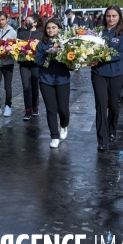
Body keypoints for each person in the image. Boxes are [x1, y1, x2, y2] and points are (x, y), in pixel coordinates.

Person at [91, 5, 123, 151]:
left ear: (119, 17)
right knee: (100, 105)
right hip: (98, 73)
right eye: (108, 16)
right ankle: (102, 139)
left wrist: (100, 57)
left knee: (113, 106)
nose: (111, 19)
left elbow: (119, 54)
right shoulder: (97, 32)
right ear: (104, 17)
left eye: (114, 16)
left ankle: (112, 130)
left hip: (115, 74)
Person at [35, 18, 70, 148]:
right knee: (51, 109)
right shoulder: (41, 44)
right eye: (48, 28)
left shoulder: (66, 42)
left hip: (62, 79)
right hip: (46, 80)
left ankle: (64, 124)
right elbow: (38, 61)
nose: (51, 30)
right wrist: (49, 55)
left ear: (59, 29)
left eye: (53, 28)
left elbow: (71, 61)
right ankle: (54, 136)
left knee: (63, 109)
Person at [0, 11, 17, 117]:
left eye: (3, 19)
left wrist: (9, 50)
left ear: (7, 19)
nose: (1, 22)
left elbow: (16, 47)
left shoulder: (13, 32)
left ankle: (8, 105)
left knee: (7, 85)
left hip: (8, 62)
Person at [17, 13, 44, 120]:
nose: (26, 23)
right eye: (26, 21)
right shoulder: (21, 34)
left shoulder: (41, 34)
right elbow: (16, 47)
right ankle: (27, 110)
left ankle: (35, 107)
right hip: (24, 64)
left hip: (36, 64)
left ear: (35, 23)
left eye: (29, 21)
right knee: (26, 87)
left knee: (34, 86)